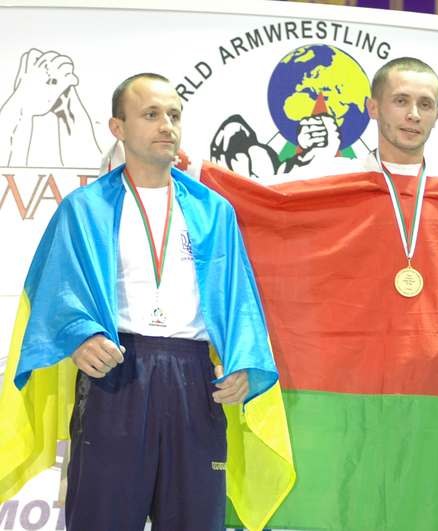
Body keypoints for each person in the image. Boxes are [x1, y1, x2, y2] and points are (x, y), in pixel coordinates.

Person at [8, 73, 283, 530]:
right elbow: (55, 290)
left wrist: (245, 362)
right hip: (117, 374)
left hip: (194, 377)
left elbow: (239, 300)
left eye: (174, 115)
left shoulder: (214, 210)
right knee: (103, 518)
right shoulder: (86, 207)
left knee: (195, 519)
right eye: (151, 115)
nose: (166, 126)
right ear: (117, 127)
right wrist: (79, 338)